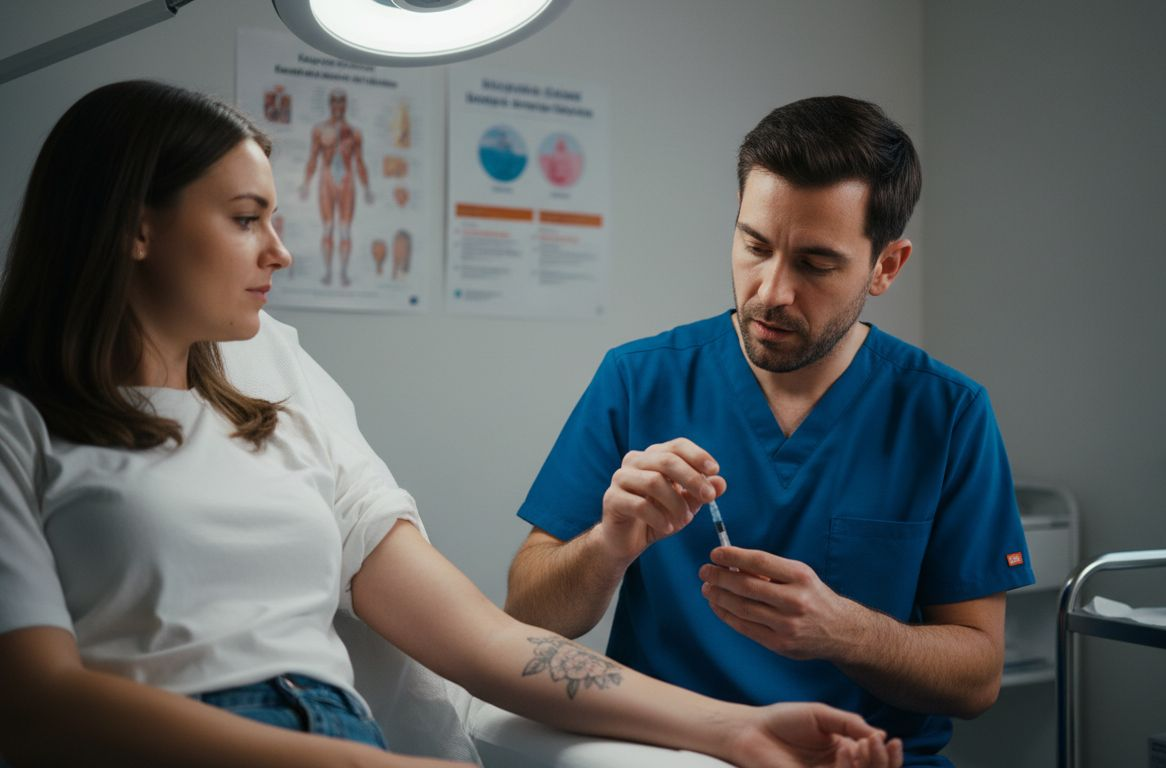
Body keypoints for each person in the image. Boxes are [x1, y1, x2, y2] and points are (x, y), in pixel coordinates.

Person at [0, 81, 904, 768]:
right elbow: (37, 702)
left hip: (346, 730)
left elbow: (482, 638)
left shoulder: (276, 373)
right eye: (244, 220)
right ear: (135, 227)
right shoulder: (20, 422)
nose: (280, 250)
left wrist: (737, 731)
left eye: (274, 217)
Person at [504, 96, 1035, 767]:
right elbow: (526, 618)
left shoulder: (946, 413)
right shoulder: (640, 380)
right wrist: (608, 544)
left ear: (886, 267)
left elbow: (978, 676)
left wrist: (844, 632)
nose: (771, 291)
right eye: (755, 245)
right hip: (668, 754)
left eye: (815, 264)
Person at [299, 88, 373, 288]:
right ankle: (328, 272)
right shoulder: (319, 130)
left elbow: (359, 161)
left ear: (346, 104)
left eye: (342, 102)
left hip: (347, 180)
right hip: (327, 178)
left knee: (345, 229)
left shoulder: (355, 132)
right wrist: (306, 183)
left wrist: (366, 187)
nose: (338, 106)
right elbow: (313, 158)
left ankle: (343, 273)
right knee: (328, 227)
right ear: (330, 104)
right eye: (335, 102)